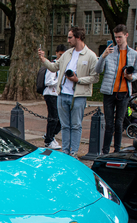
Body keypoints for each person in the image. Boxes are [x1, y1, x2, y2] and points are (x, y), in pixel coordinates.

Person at [38, 26, 99, 157]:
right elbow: (54, 67)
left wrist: (78, 80)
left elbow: (95, 77)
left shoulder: (91, 56)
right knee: (65, 125)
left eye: (70, 37)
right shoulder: (67, 54)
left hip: (79, 95)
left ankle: (74, 152)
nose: (68, 40)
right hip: (63, 94)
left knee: (76, 125)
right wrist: (43, 60)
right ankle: (66, 151)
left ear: (78, 38)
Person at [95, 24, 137, 154]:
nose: (118, 40)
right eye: (116, 37)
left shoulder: (134, 54)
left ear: (126, 35)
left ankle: (117, 150)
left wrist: (130, 77)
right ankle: (105, 151)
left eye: (120, 37)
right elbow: (98, 70)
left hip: (124, 92)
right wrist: (103, 56)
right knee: (109, 123)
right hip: (109, 92)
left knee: (119, 123)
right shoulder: (109, 52)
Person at [42, 44, 67, 150]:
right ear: (56, 53)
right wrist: (59, 81)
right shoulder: (53, 65)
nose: (61, 57)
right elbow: (48, 81)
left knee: (60, 119)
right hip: (51, 94)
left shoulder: (64, 65)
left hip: (58, 94)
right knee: (53, 117)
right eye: (60, 54)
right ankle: (48, 139)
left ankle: (50, 135)